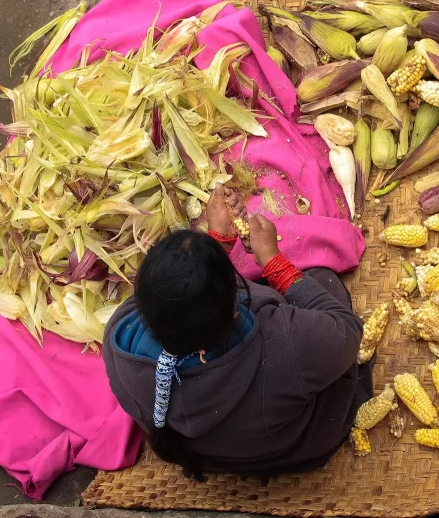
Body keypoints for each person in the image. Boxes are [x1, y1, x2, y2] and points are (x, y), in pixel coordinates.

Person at [103, 185, 372, 480]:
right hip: (295, 447)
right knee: (322, 281)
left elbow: (179, 301)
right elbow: (347, 330)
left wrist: (216, 243)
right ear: (233, 309)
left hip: (211, 457)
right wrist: (273, 262)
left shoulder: (120, 333)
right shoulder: (284, 343)